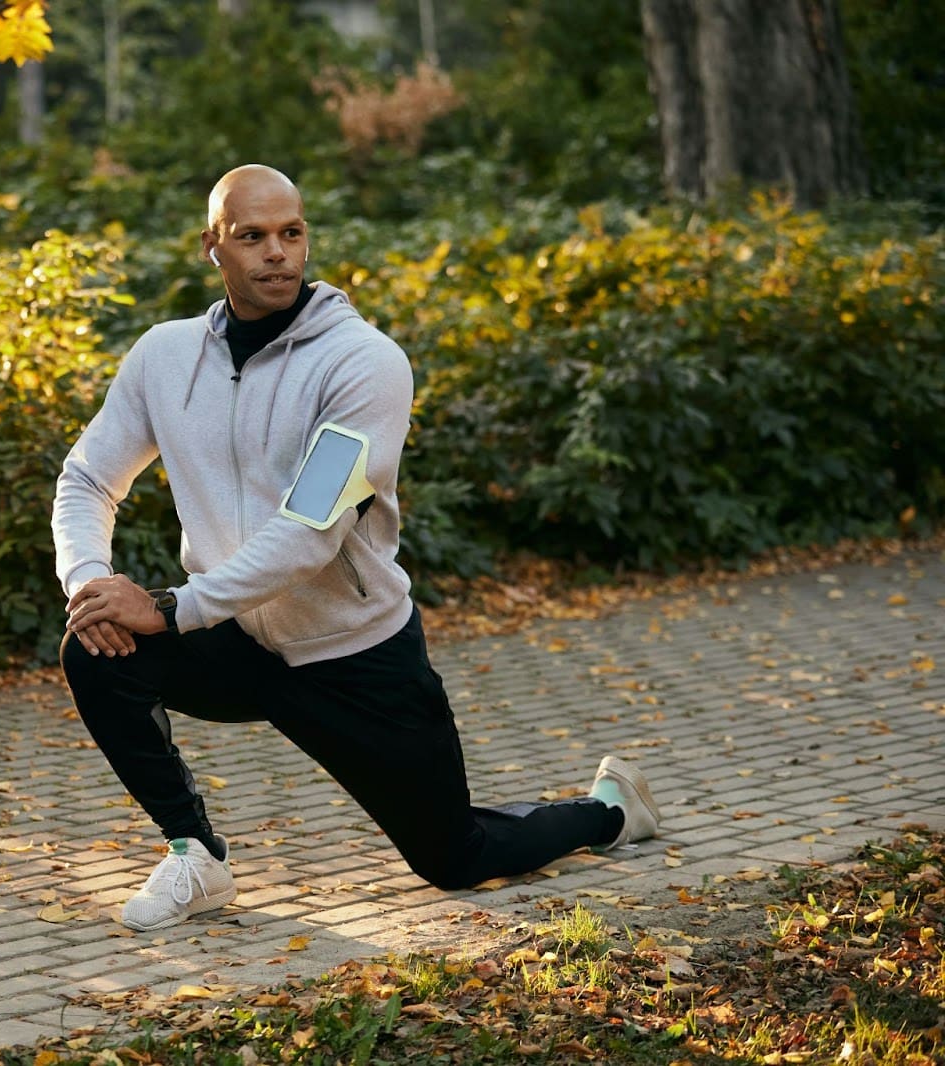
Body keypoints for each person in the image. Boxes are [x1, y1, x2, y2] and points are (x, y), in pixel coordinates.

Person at [51, 164, 659, 932]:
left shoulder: (364, 363)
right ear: (213, 247)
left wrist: (171, 609)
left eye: (292, 233)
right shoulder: (165, 357)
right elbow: (86, 479)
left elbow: (313, 528)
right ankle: (194, 856)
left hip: (353, 655)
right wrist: (91, 585)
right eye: (252, 237)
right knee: (92, 650)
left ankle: (609, 812)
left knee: (456, 857)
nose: (277, 252)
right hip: (235, 641)